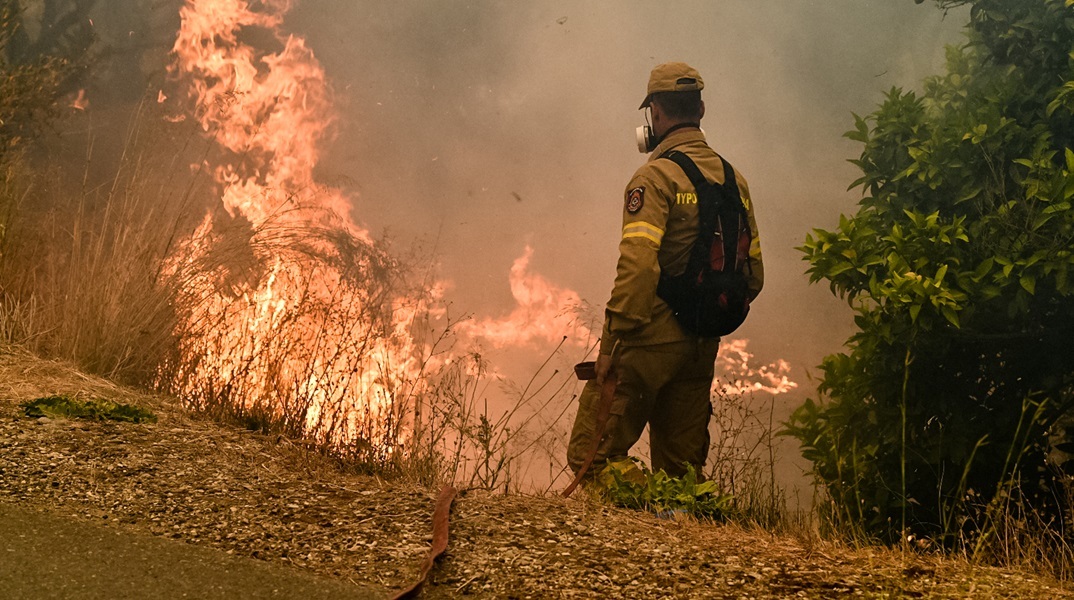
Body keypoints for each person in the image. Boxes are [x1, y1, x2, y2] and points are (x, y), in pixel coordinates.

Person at [567, 61, 764, 481]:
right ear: (701, 109)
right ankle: (679, 521)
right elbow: (755, 274)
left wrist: (613, 342)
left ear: (654, 113)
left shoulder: (654, 178)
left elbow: (638, 266)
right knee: (682, 474)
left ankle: (632, 516)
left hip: (648, 340)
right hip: (702, 343)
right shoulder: (735, 180)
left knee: (592, 459)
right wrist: (704, 317)